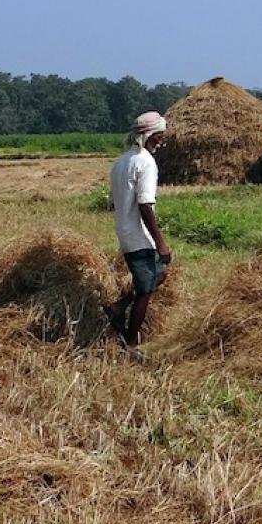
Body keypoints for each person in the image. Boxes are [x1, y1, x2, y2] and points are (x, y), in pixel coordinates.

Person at [104, 111, 172, 356]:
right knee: (144, 291)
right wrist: (160, 242)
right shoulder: (145, 162)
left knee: (160, 274)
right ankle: (130, 345)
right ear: (149, 136)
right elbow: (145, 204)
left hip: (125, 230)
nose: (161, 142)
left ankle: (119, 307)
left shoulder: (121, 162)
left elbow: (112, 201)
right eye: (159, 137)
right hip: (138, 236)